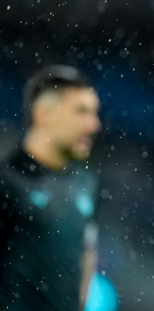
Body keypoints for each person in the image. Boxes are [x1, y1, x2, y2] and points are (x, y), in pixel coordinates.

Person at [0, 65, 102, 310]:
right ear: (44, 114)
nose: (94, 125)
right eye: (81, 112)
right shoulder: (8, 180)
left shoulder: (85, 183)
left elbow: (86, 252)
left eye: (95, 113)